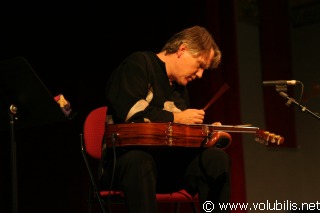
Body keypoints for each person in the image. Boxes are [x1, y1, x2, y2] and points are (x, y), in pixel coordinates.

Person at [99, 25, 231, 213]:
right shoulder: (138, 64)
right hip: (125, 163)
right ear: (182, 50)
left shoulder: (180, 88)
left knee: (216, 159)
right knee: (140, 160)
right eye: (200, 65)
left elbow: (178, 134)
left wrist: (204, 133)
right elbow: (131, 114)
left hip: (167, 167)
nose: (200, 74)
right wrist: (178, 117)